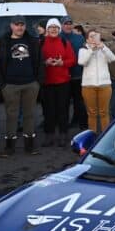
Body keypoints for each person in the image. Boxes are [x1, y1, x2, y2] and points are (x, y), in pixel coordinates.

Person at [0, 15, 42, 156]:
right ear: (11, 26)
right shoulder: (3, 42)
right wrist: (1, 84)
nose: (19, 27)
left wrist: (38, 82)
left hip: (30, 84)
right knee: (11, 116)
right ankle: (9, 146)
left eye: (22, 25)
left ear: (25, 26)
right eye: (17, 24)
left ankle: (30, 146)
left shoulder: (32, 41)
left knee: (29, 115)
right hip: (10, 85)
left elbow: (39, 61)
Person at [39, 17, 76, 145]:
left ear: (59, 29)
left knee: (63, 110)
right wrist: (45, 62)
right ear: (47, 29)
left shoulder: (65, 43)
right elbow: (36, 62)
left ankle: (63, 134)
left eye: (56, 27)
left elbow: (72, 60)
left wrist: (62, 63)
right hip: (47, 82)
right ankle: (49, 135)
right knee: (48, 110)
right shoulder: (41, 43)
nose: (53, 29)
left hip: (63, 82)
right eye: (51, 27)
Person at [77, 29, 115, 132]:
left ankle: (104, 136)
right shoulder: (83, 49)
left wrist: (103, 47)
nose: (94, 38)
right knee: (92, 113)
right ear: (87, 39)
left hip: (105, 85)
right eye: (91, 36)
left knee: (104, 112)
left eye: (95, 36)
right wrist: (92, 50)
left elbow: (113, 59)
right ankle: (93, 135)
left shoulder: (103, 48)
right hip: (88, 85)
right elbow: (81, 62)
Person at [61, 17, 88, 129]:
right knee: (64, 103)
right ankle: (64, 126)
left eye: (70, 24)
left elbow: (85, 54)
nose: (68, 26)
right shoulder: (58, 37)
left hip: (78, 75)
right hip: (63, 76)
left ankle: (83, 125)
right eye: (65, 24)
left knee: (79, 102)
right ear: (62, 25)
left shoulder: (79, 37)